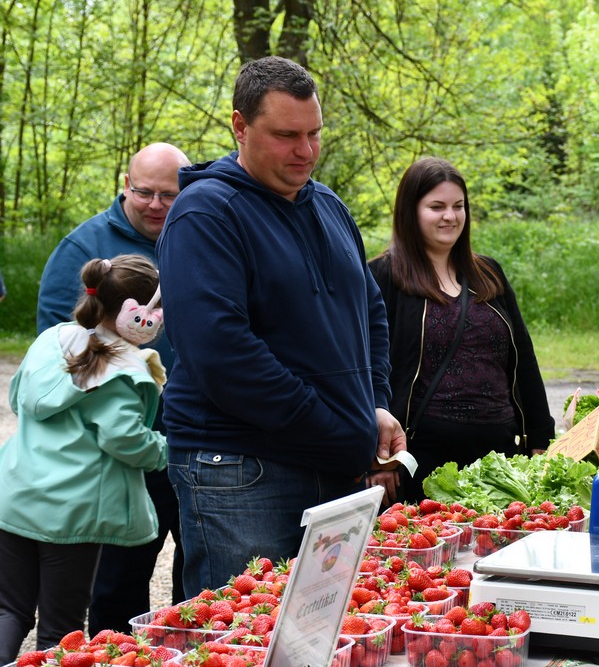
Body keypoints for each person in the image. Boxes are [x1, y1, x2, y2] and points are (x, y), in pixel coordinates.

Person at [156, 55, 405, 597]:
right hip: (242, 472)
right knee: (242, 642)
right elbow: (224, 355)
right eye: (287, 135)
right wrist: (339, 428)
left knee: (318, 637)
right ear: (240, 127)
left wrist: (375, 404)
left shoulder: (329, 206)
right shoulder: (205, 214)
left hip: (331, 463)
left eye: (314, 133)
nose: (307, 151)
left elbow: (371, 314)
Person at [36, 142, 189, 634]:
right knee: (117, 582)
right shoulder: (84, 248)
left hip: (196, 438)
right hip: (121, 446)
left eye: (170, 194)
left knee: (200, 579)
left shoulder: (197, 237)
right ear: (125, 185)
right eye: (145, 192)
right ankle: (115, 658)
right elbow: (63, 348)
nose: (156, 205)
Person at [0, 255, 167, 664]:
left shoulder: (51, 339)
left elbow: (18, 398)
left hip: (15, 496)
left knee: (9, 608)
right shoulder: (125, 370)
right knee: (63, 626)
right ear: (141, 316)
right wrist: (165, 449)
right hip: (71, 517)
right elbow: (124, 439)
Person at [368, 157, 555, 501]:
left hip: (499, 461)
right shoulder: (383, 277)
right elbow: (368, 367)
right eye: (436, 207)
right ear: (411, 211)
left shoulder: (488, 273)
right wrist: (379, 458)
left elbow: (523, 360)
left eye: (458, 206)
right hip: (421, 464)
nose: (450, 217)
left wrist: (540, 441)